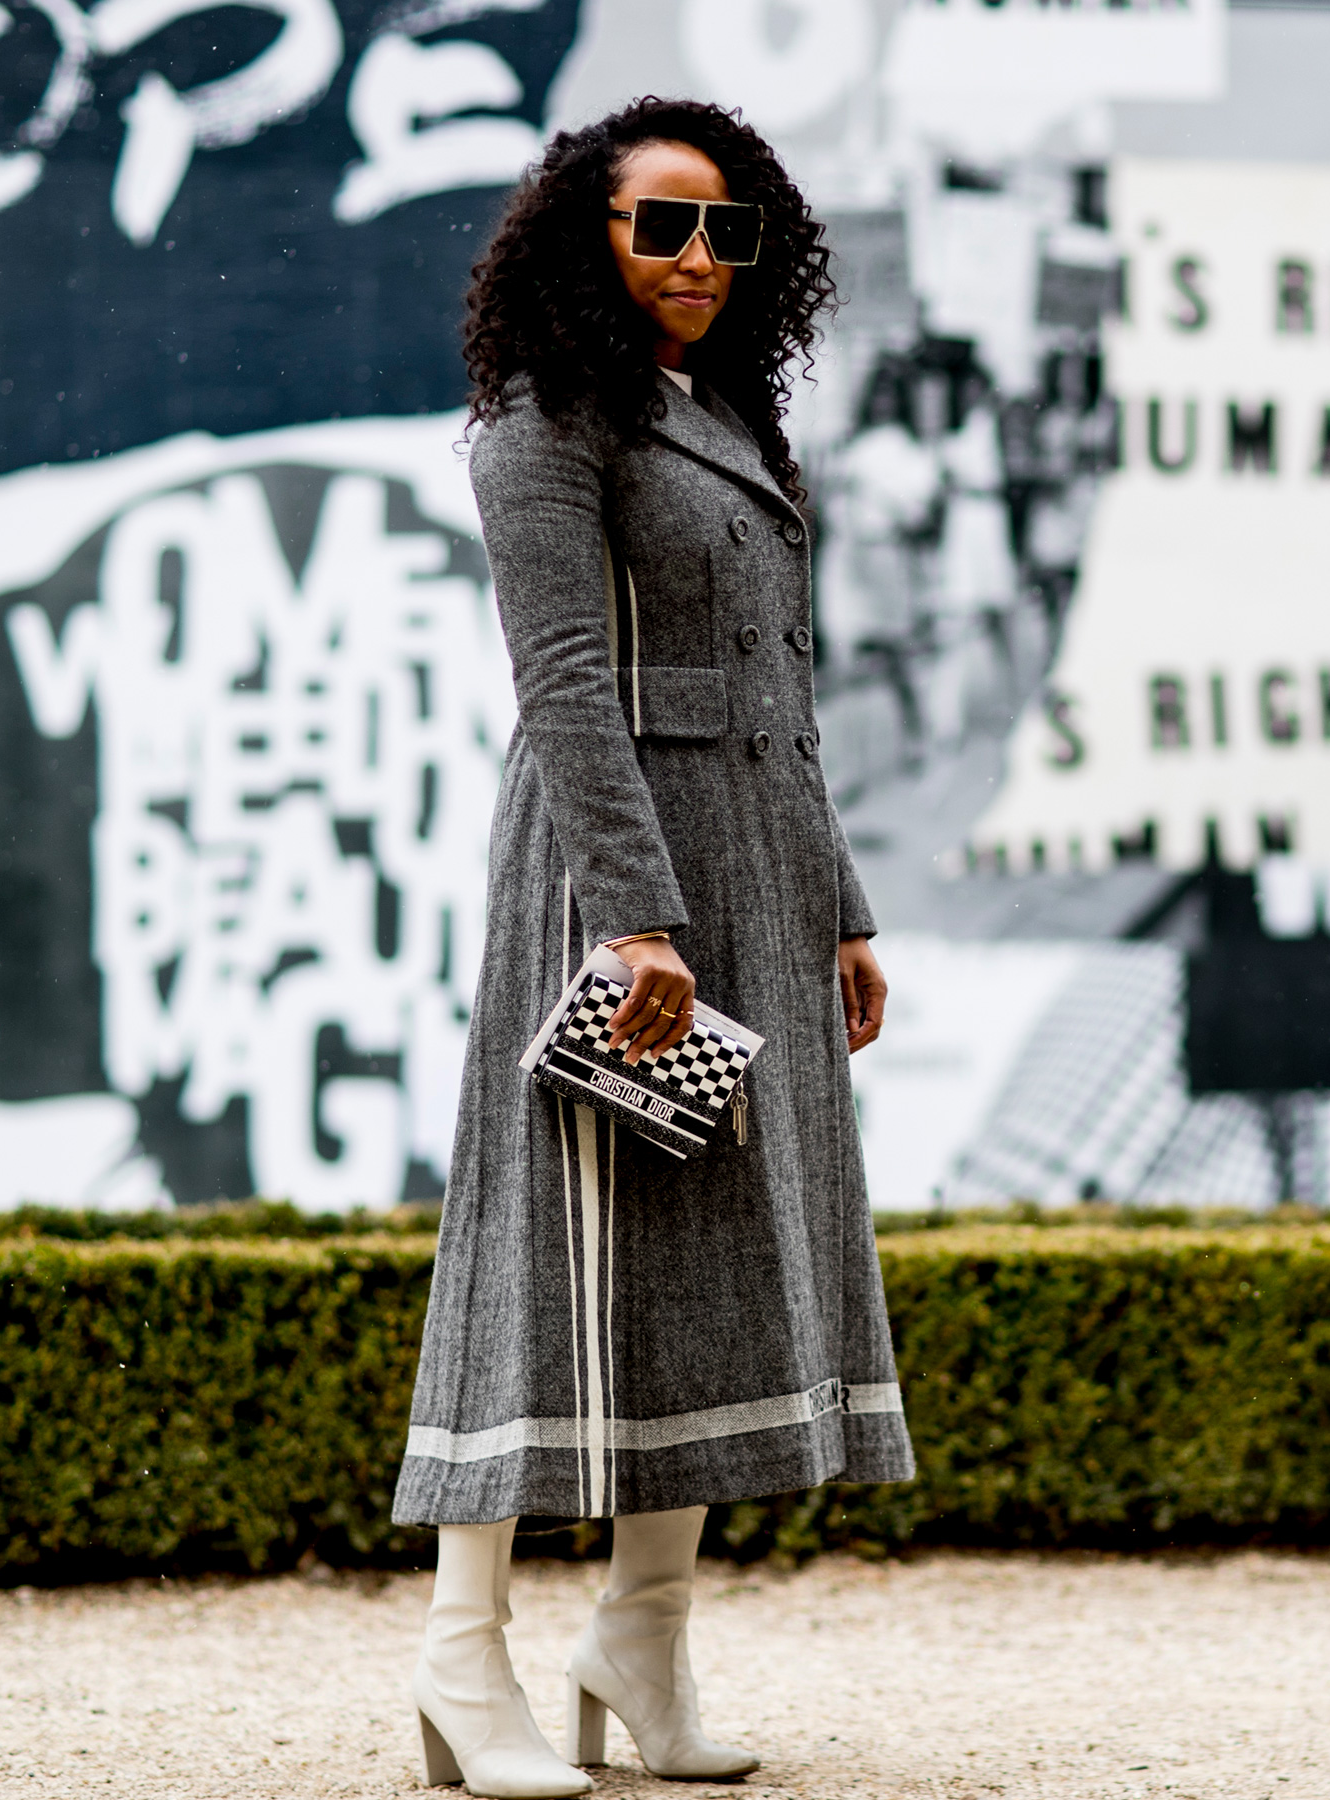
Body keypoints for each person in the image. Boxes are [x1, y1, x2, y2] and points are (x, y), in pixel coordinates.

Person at [389, 98, 913, 1798]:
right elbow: (561, 685)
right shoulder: (544, 422)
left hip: (754, 882)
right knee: (550, 1250)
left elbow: (782, 697)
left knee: (712, 1255)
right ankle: (462, 1655)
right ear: (586, 238)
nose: (697, 258)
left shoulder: (732, 422)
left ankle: (643, 1636)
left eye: (726, 230)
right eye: (660, 225)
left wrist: (839, 907)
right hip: (612, 882)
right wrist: (630, 918)